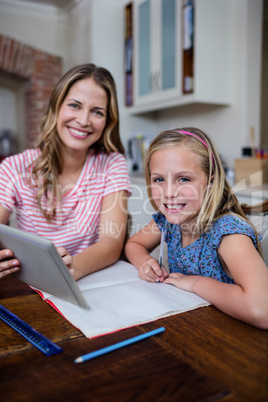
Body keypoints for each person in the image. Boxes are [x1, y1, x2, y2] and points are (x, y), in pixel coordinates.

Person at [125, 127, 268, 329]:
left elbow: (262, 310)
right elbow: (134, 243)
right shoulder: (168, 221)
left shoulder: (228, 233)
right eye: (159, 179)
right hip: (187, 327)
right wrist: (144, 262)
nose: (169, 192)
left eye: (184, 179)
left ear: (210, 182)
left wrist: (195, 284)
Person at [0, 63, 131, 280]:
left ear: (107, 121)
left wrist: (70, 270)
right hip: (31, 283)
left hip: (87, 280)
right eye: (74, 105)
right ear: (56, 107)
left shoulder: (112, 164)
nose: (83, 120)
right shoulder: (14, 167)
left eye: (97, 111)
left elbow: (111, 241)